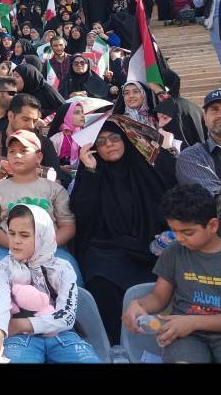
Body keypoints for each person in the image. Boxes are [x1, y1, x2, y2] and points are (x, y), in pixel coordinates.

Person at [71, 121, 177, 344]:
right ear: (94, 149)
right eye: (101, 142)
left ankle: (149, 346)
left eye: (115, 138)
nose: (109, 145)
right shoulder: (91, 172)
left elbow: (170, 198)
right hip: (106, 248)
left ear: (127, 140)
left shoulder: (145, 169)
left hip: (148, 247)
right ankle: (115, 345)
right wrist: (90, 171)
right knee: (101, 282)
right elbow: (81, 213)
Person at [0, 204, 100, 363]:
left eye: (24, 235)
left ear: (42, 236)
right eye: (11, 233)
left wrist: (21, 324)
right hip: (20, 339)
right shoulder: (4, 267)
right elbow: (0, 302)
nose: (16, 241)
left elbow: (66, 317)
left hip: (62, 336)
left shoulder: (63, 268)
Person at [122, 185, 221, 363]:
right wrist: (139, 305)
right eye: (174, 231)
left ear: (213, 225)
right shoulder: (174, 252)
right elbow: (159, 297)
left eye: (188, 232)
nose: (180, 238)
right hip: (184, 336)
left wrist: (193, 322)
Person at [0, 130, 79, 294]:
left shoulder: (54, 189)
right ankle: (0, 319)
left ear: (39, 157)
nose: (17, 155)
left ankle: (73, 318)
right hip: (8, 249)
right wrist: (15, 245)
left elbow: (68, 226)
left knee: (71, 272)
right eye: (12, 151)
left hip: (51, 250)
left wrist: (44, 247)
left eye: (24, 151)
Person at [0, 94, 63, 249]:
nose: (31, 125)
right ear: (11, 116)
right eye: (25, 119)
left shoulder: (44, 143)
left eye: (34, 120)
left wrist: (33, 172)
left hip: (37, 201)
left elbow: (57, 181)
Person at [175, 88, 221, 197]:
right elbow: (212, 200)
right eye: (214, 109)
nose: (220, 115)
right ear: (205, 118)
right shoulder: (192, 157)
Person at [48, 101, 86, 171]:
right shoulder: (56, 139)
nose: (82, 115)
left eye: (82, 112)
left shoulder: (85, 136)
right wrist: (61, 168)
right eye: (77, 113)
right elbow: (48, 163)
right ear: (66, 116)